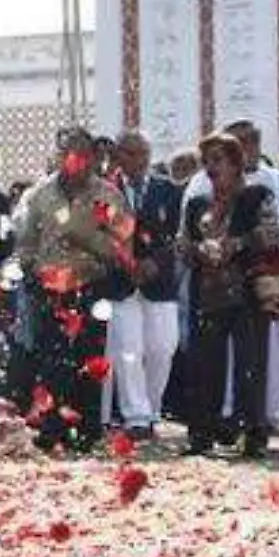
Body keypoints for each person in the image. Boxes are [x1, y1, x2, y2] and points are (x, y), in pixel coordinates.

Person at [11, 128, 128, 454]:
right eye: (69, 153)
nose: (76, 160)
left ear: (93, 158)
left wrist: (99, 255)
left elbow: (123, 239)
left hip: (92, 286)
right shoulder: (39, 196)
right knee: (53, 360)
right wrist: (34, 270)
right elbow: (24, 241)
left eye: (83, 153)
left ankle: (88, 428)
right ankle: (52, 427)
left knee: (90, 358)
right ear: (60, 157)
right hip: (50, 290)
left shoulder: (108, 195)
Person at [180, 132, 279, 459]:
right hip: (207, 293)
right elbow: (181, 244)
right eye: (206, 162)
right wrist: (198, 249)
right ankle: (202, 434)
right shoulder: (197, 204)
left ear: (236, 163)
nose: (211, 168)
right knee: (204, 364)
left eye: (218, 160)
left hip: (247, 292)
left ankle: (252, 434)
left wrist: (238, 243)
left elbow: (274, 233)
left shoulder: (257, 196)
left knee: (250, 364)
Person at [100, 130, 183, 438]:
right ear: (118, 156)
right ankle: (136, 416)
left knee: (162, 347)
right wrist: (124, 261)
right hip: (120, 284)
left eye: (142, 153)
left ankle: (151, 407)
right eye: (129, 153)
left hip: (158, 282)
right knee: (128, 348)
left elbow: (179, 236)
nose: (137, 160)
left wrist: (154, 263)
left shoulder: (169, 190)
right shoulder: (104, 191)